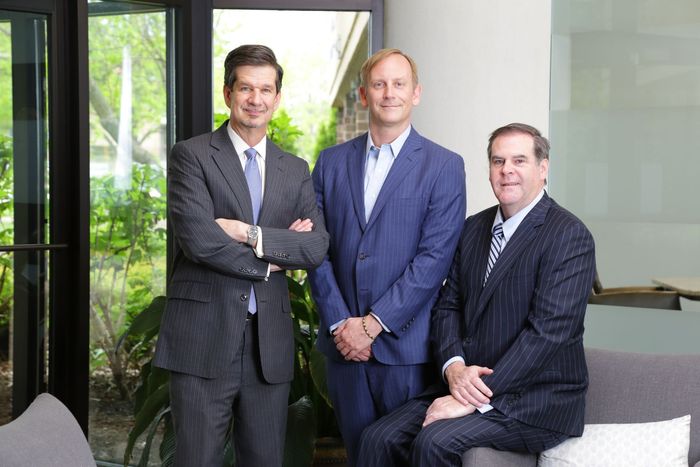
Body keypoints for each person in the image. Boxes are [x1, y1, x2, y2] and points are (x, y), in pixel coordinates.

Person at [357, 123, 596, 466]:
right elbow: (448, 307)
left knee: (434, 442)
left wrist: (475, 398)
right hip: (463, 382)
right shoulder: (474, 228)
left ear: (543, 169)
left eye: (519, 161)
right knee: (377, 438)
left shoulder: (569, 236)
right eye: (498, 161)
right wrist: (453, 369)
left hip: (535, 400)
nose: (506, 171)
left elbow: (547, 334)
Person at [153, 44, 329, 467]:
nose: (256, 99)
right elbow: (200, 241)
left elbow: (315, 247)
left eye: (265, 89)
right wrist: (274, 255)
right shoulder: (191, 156)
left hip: (267, 344)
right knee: (196, 460)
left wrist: (247, 233)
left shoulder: (295, 169)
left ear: (277, 97)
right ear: (228, 92)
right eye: (246, 88)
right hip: (202, 338)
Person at [308, 48, 466, 466]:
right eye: (379, 84)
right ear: (363, 95)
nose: (389, 93)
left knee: (404, 458)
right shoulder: (329, 163)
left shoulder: (444, 166)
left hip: (406, 351)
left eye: (399, 84)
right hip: (345, 351)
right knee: (360, 457)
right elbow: (315, 251)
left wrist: (373, 325)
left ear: (416, 94)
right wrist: (344, 324)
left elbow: (434, 260)